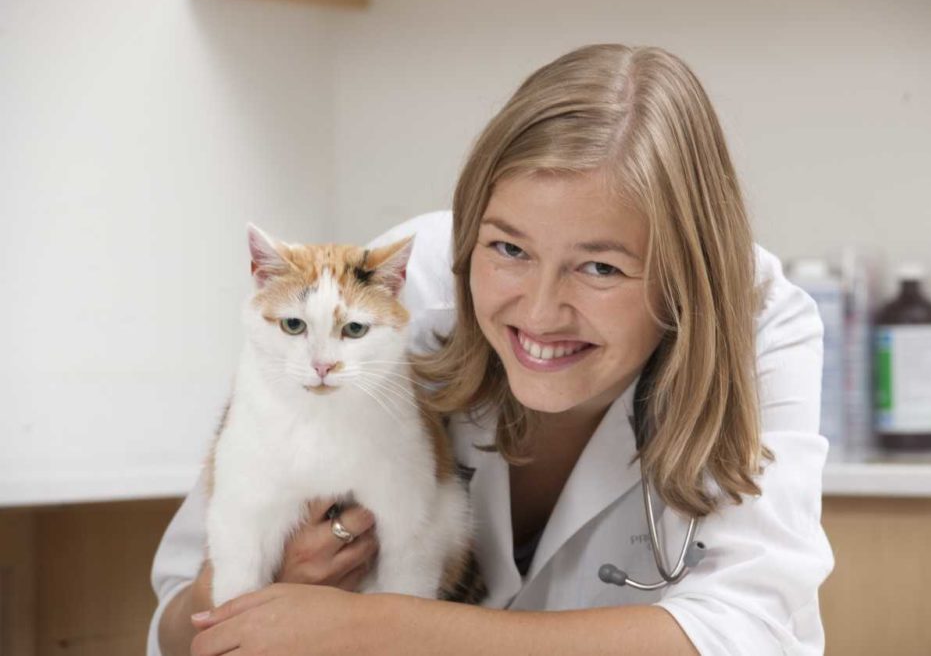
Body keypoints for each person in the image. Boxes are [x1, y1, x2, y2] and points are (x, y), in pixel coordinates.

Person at [149, 43, 834, 655]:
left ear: (685, 275)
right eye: (508, 248)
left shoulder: (760, 321)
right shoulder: (393, 297)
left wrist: (385, 628)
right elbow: (177, 624)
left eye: (600, 268)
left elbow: (748, 631)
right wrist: (263, 581)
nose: (539, 311)